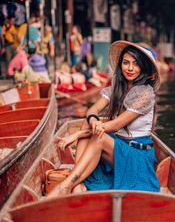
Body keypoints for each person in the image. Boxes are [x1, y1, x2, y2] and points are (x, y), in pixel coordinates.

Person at [48, 40, 161, 197]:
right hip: (119, 148)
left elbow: (115, 125)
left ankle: (66, 186)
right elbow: (92, 110)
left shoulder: (145, 94)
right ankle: (78, 182)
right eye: (126, 63)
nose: (130, 68)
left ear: (144, 68)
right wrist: (93, 120)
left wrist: (76, 135)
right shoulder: (117, 87)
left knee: (99, 137)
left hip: (137, 156)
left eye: (136, 64)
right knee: (86, 123)